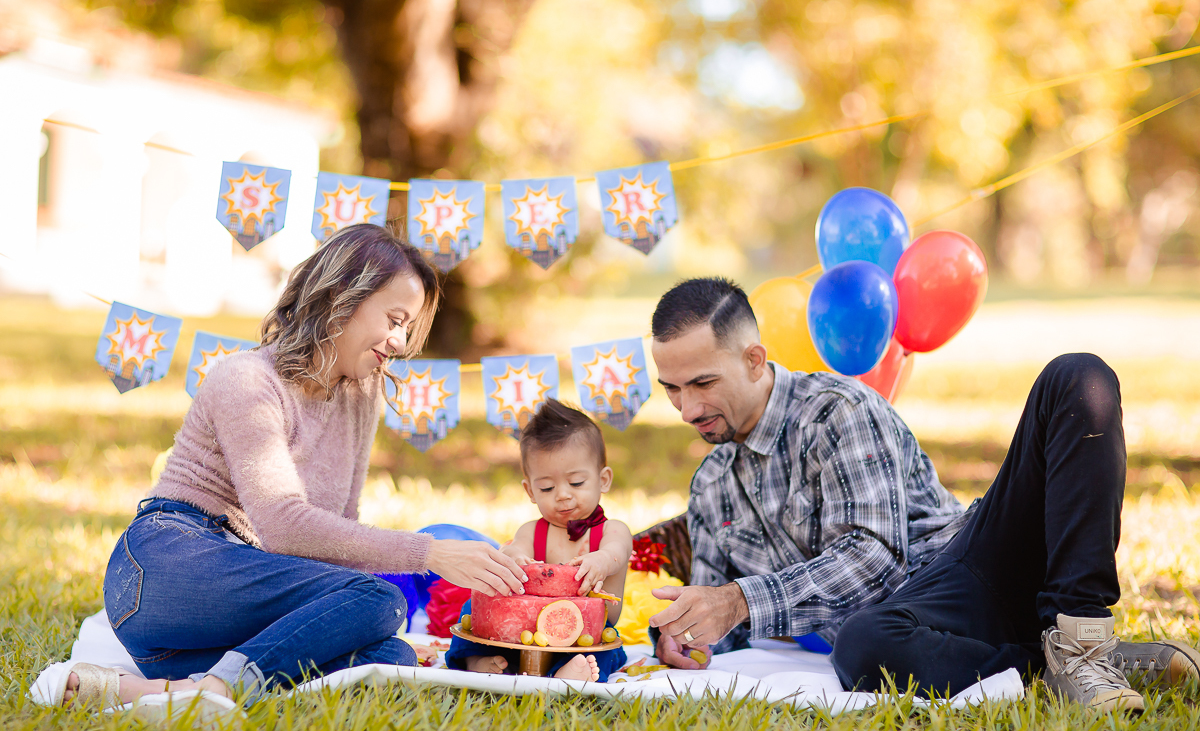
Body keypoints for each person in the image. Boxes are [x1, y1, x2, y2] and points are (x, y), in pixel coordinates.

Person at [644, 276, 1200, 713]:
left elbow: (876, 561)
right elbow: (720, 611)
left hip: (975, 571)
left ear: (753, 359)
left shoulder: (838, 411)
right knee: (864, 647)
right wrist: (682, 635)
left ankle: (1084, 642)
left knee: (1078, 377)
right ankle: (1067, 666)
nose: (687, 409)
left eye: (702, 384)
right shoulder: (711, 484)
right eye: (671, 388)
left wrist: (738, 601)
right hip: (905, 634)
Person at [60, 224, 529, 710]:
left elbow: (336, 540)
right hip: (166, 566)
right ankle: (213, 693)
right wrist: (431, 553)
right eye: (393, 319)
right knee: (381, 601)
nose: (398, 342)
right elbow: (283, 524)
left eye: (406, 328)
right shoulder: (246, 378)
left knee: (391, 655)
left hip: (228, 611)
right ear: (343, 297)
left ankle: (181, 689)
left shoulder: (361, 397)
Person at [446, 399, 632, 682]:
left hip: (584, 631)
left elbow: (616, 551)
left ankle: (568, 673)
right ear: (530, 490)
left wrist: (602, 561)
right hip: (525, 627)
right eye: (547, 487)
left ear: (603, 479)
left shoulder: (612, 531)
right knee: (473, 609)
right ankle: (475, 659)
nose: (563, 495)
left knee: (607, 651)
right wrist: (515, 557)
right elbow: (516, 547)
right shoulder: (533, 530)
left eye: (577, 483)